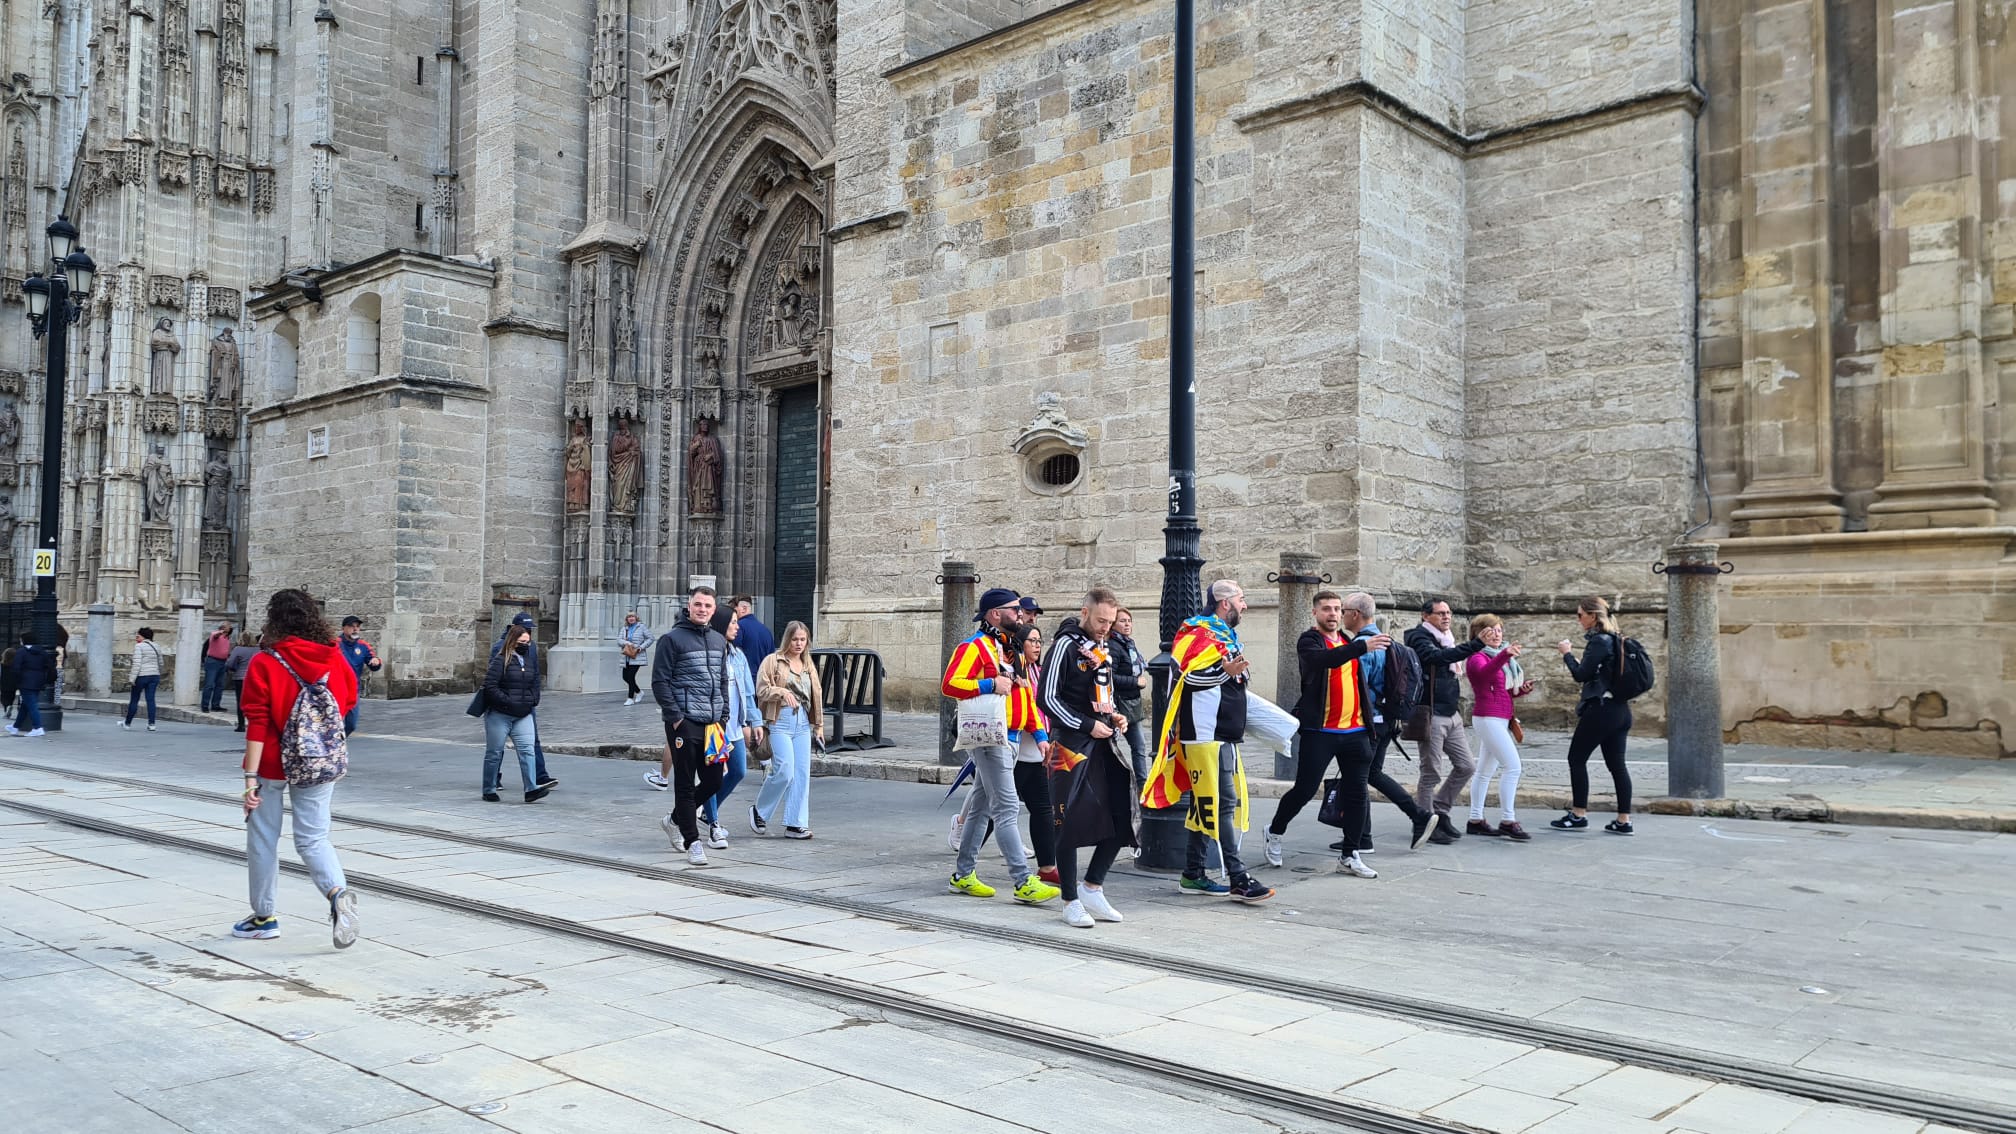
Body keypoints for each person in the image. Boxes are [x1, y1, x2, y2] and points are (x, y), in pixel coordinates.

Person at [1262, 591, 1430, 877]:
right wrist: (1362, 648)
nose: (1333, 614)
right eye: (1326, 609)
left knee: (1356, 793)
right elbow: (1324, 660)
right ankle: (1275, 832)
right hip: (1321, 731)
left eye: (1337, 609)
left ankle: (1350, 854)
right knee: (1304, 789)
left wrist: (1371, 725)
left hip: (1355, 731)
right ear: (1315, 613)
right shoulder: (1310, 641)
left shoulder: (1348, 641)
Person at [234, 587, 361, 947]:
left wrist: (249, 777)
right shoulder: (334, 657)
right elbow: (348, 701)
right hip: (319, 760)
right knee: (314, 838)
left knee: (263, 839)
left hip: (272, 764)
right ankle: (337, 894)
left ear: (274, 620)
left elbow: (257, 722)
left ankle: (264, 917)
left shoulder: (265, 661)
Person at [1155, 580, 1273, 904]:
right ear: (1225, 604)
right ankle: (1237, 876)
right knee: (1221, 802)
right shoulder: (1196, 632)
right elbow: (1186, 677)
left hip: (1223, 734)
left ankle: (1193, 874)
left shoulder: (1223, 635)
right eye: (1242, 600)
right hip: (1204, 733)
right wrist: (1225, 674)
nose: (1245, 606)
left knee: (1205, 803)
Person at [942, 586, 1059, 906]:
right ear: (995, 614)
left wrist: (1039, 735)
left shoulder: (1011, 648)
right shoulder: (975, 647)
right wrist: (990, 684)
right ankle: (1022, 881)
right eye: (1015, 609)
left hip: (1011, 739)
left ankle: (963, 875)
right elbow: (949, 683)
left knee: (980, 808)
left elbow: (1026, 698)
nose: (1021, 614)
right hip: (991, 737)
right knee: (1006, 808)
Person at [1037, 587, 1136, 928]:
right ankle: (1069, 899)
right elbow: (1046, 699)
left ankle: (1093, 885)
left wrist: (1115, 716)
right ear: (1085, 613)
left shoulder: (1103, 646)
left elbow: (1102, 693)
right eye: (1100, 620)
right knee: (1065, 820)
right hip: (1066, 746)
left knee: (1120, 813)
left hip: (1103, 740)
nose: (1105, 627)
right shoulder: (1065, 645)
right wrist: (1086, 724)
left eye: (1110, 622)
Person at [652, 586, 732, 865]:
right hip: (684, 723)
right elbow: (660, 682)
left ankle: (675, 819)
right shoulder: (671, 640)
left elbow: (723, 680)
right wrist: (676, 717)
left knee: (713, 780)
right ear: (689, 606)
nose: (702, 609)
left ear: (714, 610)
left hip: (712, 724)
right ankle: (693, 840)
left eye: (707, 606)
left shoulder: (719, 640)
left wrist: (724, 715)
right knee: (685, 783)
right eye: (698, 604)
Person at [1552, 596, 1635, 835]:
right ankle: (1623, 820)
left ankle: (1578, 814)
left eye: (1580, 615)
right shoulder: (1616, 639)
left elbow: (1580, 674)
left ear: (1593, 616)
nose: (1578, 620)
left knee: (1576, 759)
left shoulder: (1599, 641)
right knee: (1617, 765)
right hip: (1621, 709)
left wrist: (1567, 654)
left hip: (1601, 711)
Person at [1405, 598, 1485, 844]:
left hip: (1451, 713)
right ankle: (1425, 821)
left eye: (1448, 613)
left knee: (1466, 766)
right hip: (1431, 713)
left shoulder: (1446, 637)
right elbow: (1438, 658)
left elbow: (1449, 656)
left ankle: (1439, 811)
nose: (1446, 617)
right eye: (1440, 613)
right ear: (1425, 615)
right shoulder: (1419, 638)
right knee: (1430, 772)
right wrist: (1475, 645)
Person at [693, 606, 761, 848]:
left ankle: (703, 811)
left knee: (739, 771)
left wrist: (755, 721)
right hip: (714, 725)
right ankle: (713, 825)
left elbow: (748, 692)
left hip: (733, 726)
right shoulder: (709, 652)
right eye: (733, 622)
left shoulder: (738, 655)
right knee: (713, 776)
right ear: (722, 624)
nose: (737, 626)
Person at [1465, 614, 1533, 840]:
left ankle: (1475, 819)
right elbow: (1484, 675)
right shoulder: (1477, 657)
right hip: (1488, 717)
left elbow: (1502, 689)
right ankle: (1508, 819)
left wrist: (1522, 689)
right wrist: (1504, 655)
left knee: (1485, 771)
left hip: (1500, 717)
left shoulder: (1500, 658)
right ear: (1479, 634)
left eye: (1499, 630)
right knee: (1513, 767)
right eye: (1491, 630)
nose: (1497, 634)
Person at [753, 620, 820, 838]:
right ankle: (759, 810)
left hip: (801, 722)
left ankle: (796, 823)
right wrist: (782, 692)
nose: (799, 644)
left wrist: (819, 726)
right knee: (784, 770)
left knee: (801, 774)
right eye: (795, 639)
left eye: (803, 639)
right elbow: (762, 690)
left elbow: (816, 695)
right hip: (779, 720)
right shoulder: (773, 660)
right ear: (787, 639)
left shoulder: (808, 664)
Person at [480, 622, 549, 803]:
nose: (526, 645)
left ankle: (531, 789)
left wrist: (533, 699)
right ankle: (489, 789)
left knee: (527, 750)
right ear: (513, 641)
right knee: (494, 752)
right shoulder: (500, 659)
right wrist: (507, 701)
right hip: (499, 714)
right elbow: (490, 686)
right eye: (522, 641)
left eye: (528, 642)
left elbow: (535, 682)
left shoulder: (529, 661)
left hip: (523, 713)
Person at [492, 613, 557, 793]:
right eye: (525, 629)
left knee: (532, 741)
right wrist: (503, 700)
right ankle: (493, 779)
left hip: (526, 703)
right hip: (504, 705)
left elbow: (535, 673)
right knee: (498, 745)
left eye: (530, 630)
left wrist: (534, 697)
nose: (528, 633)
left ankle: (539, 776)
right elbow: (492, 678)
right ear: (515, 628)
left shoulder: (532, 647)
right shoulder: (499, 646)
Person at [1109, 607, 1152, 788]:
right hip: (1119, 704)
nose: (1127, 624)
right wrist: (1135, 682)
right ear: (1113, 624)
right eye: (1122, 621)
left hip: (1131, 704)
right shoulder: (1113, 646)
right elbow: (1110, 676)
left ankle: (1142, 784)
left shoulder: (1129, 644)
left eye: (1129, 621)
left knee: (1139, 746)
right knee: (1113, 746)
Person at [337, 616, 382, 733]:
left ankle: (339, 740)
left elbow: (373, 661)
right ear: (343, 628)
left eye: (357, 627)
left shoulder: (363, 646)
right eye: (352, 626)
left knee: (351, 724)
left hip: (353, 689)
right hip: (337, 689)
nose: (355, 629)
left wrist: (376, 662)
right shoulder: (335, 644)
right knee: (334, 720)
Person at [6, 633, 53, 736]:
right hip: (39, 681)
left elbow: (16, 668)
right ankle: (15, 727)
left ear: (24, 641)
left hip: (25, 681)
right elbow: (49, 666)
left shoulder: (21, 652)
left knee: (32, 705)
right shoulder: (42, 652)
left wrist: (17, 680)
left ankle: (38, 727)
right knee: (25, 705)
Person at [123, 627, 166, 731]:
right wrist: (157, 672)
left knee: (134, 699)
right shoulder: (157, 646)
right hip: (154, 676)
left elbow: (137, 664)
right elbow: (161, 663)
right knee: (150, 700)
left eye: (138, 636)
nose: (136, 637)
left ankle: (127, 723)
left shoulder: (139, 646)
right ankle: (152, 724)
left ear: (143, 636)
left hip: (142, 676)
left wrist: (132, 678)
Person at [730, 595, 774, 675]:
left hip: (745, 679)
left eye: (733, 610)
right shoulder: (766, 630)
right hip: (763, 680)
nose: (732, 614)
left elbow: (733, 655)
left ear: (743, 608)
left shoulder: (738, 627)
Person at [227, 632, 261, 732]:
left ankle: (241, 725)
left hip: (240, 678)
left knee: (241, 702)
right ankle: (253, 724)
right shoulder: (258, 650)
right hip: (254, 678)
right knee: (255, 702)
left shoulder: (238, 649)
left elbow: (230, 663)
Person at [201, 620, 236, 713]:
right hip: (213, 661)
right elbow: (215, 635)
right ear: (223, 627)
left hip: (223, 662)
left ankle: (215, 705)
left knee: (220, 685)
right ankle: (205, 705)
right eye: (228, 626)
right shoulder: (215, 635)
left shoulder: (227, 638)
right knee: (209, 684)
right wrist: (221, 631)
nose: (230, 627)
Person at [618, 611, 651, 706]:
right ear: (627, 619)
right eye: (629, 617)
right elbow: (619, 640)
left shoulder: (642, 627)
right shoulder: (625, 628)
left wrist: (641, 647)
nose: (631, 618)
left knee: (631, 676)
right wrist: (627, 643)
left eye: (632, 616)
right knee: (625, 677)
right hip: (626, 656)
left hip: (637, 656)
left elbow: (650, 638)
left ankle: (630, 698)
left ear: (636, 617)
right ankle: (639, 692)